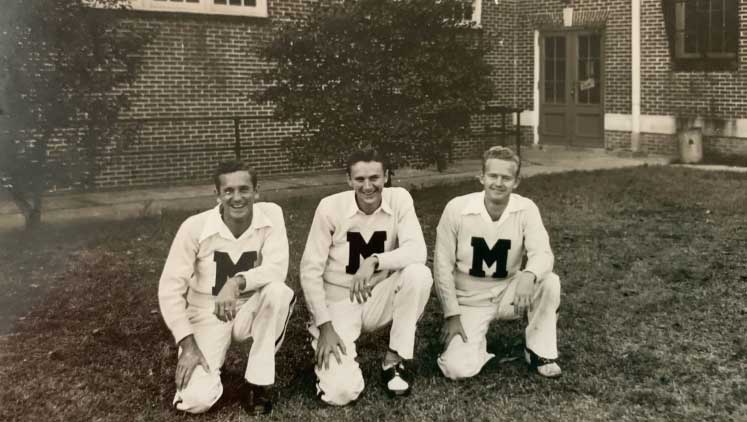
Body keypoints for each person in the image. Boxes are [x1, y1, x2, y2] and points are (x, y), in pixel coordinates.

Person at [158, 160, 295, 415]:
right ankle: (208, 371)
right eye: (228, 191)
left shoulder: (271, 215)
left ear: (257, 191)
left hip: (249, 306)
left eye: (244, 189)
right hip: (206, 311)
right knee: (195, 401)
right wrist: (187, 344)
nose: (237, 197)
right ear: (217, 194)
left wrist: (236, 282)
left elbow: (277, 268)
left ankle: (257, 382)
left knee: (278, 292)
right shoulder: (195, 227)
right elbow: (169, 289)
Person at [300, 149, 433, 406]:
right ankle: (317, 339)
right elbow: (309, 270)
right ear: (349, 180)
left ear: (386, 176)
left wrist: (375, 261)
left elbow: (418, 250)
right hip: (337, 300)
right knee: (340, 394)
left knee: (419, 274)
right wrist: (325, 326)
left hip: (376, 293)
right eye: (360, 179)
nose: (368, 186)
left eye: (375, 177)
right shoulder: (330, 207)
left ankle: (395, 358)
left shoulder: (400, 199)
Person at [434, 146, 562, 380]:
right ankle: (475, 346)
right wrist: (451, 314)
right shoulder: (457, 209)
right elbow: (442, 267)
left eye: (506, 178)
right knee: (456, 370)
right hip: (469, 299)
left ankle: (539, 351)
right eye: (493, 176)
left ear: (516, 182)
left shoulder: (525, 208)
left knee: (549, 282)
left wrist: (529, 274)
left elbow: (543, 253)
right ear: (481, 177)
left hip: (509, 292)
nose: (499, 183)